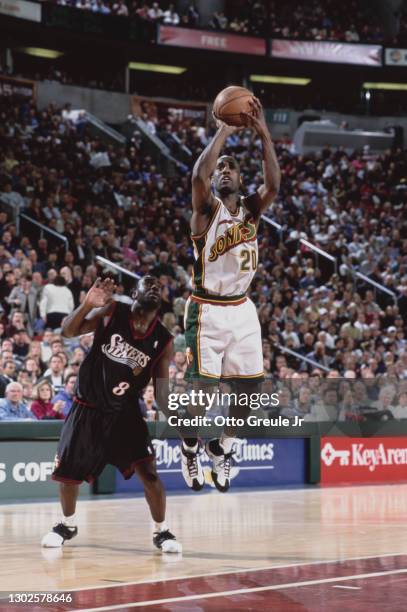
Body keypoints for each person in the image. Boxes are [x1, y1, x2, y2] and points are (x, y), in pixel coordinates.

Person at [182, 97, 280, 491]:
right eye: (220, 167)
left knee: (250, 390)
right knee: (202, 391)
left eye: (231, 168)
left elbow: (273, 183)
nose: (223, 171)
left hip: (241, 309)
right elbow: (196, 177)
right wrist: (224, 127)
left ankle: (222, 448)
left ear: (240, 181)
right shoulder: (205, 211)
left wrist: (263, 133)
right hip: (206, 308)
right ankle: (191, 447)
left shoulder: (253, 211)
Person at [41, 276, 181, 553]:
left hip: (124, 413)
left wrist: (184, 424)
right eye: (147, 283)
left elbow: (162, 395)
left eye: (158, 285)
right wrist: (85, 305)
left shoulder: (163, 340)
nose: (153, 286)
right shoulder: (113, 311)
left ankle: (161, 531)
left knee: (150, 474)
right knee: (68, 475)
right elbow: (68, 331)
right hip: (87, 406)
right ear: (134, 292)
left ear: (162, 298)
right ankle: (67, 525)